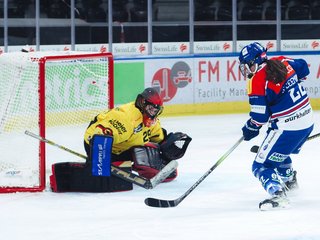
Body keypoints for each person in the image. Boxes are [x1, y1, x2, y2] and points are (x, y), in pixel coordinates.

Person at [50, 87, 191, 192]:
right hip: (97, 144)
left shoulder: (151, 122)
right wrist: (99, 163)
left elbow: (159, 138)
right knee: (138, 155)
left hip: (122, 146)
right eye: (150, 109)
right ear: (142, 103)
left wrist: (170, 145)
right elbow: (99, 136)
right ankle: (110, 162)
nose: (153, 113)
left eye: (156, 111)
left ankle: (124, 163)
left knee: (149, 151)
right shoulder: (125, 118)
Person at [238, 42, 314, 210]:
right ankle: (289, 181)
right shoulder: (282, 61)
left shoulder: (257, 80)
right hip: (307, 121)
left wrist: (249, 128)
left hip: (288, 128)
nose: (246, 69)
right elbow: (303, 67)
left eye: (247, 65)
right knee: (278, 152)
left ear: (255, 62)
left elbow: (259, 118)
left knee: (261, 165)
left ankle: (278, 195)